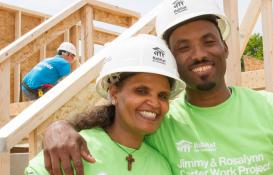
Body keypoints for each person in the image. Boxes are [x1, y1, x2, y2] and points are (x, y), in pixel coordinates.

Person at [42, 0, 273, 175]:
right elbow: (112, 126)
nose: (198, 54)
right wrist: (59, 127)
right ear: (170, 61)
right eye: (183, 47)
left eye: (209, 41)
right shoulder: (160, 119)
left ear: (225, 47)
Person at [25, 34, 186, 175]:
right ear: (114, 93)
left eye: (163, 95)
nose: (154, 103)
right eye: (141, 91)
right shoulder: (72, 151)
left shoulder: (161, 167)